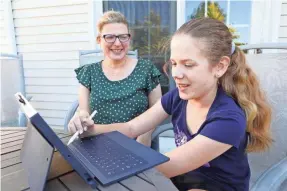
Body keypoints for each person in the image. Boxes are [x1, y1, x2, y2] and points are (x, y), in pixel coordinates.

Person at [69, 18, 272, 191]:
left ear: (219, 67)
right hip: (182, 178)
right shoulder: (178, 97)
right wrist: (89, 130)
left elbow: (160, 168)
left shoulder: (228, 119)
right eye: (174, 63)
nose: (176, 74)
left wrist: (100, 165)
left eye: (188, 64)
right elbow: (132, 127)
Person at [68, 10, 162, 147]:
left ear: (129, 39)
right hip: (97, 145)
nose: (117, 43)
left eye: (123, 37)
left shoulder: (146, 69)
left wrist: (145, 135)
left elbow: (158, 110)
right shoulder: (88, 72)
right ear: (99, 40)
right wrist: (80, 119)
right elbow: (84, 112)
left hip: (137, 146)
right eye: (110, 37)